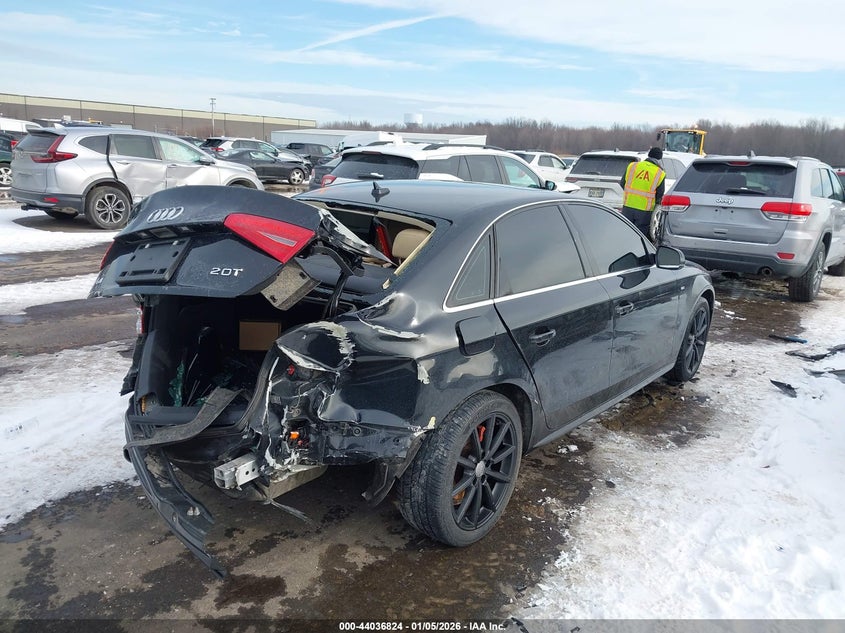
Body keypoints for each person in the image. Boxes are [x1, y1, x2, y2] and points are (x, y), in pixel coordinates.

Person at [620, 147, 666, 239]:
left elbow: (622, 184)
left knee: (625, 234)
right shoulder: (660, 173)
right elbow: (660, 194)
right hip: (644, 211)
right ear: (659, 159)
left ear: (649, 155)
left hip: (627, 207)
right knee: (639, 237)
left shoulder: (632, 166)